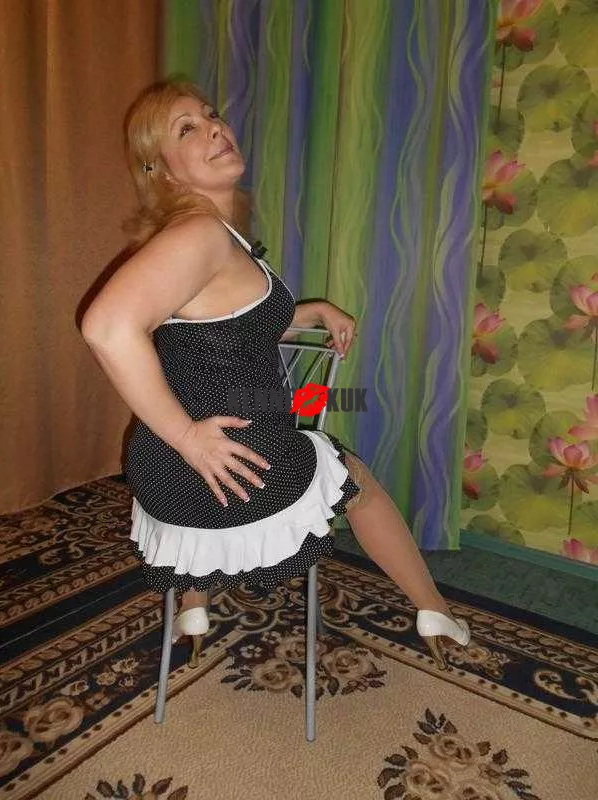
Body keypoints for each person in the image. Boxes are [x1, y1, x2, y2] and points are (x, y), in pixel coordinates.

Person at [81, 78, 471, 671]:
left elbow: (230, 328)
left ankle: (193, 605)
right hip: (232, 466)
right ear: (161, 171)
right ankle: (433, 608)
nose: (215, 127)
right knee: (353, 475)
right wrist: (188, 437)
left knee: (287, 406)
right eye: (187, 129)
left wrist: (309, 311)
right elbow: (107, 327)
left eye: (211, 115)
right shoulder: (200, 235)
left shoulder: (211, 236)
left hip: (170, 471)